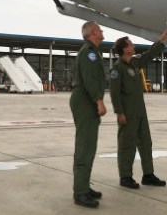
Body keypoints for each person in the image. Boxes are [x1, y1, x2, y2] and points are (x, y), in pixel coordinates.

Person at [109, 28, 167, 189]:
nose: (134, 46)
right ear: (125, 49)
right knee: (126, 145)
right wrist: (119, 113)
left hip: (140, 112)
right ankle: (125, 177)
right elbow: (114, 94)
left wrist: (161, 40)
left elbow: (149, 55)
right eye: (131, 44)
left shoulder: (135, 63)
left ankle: (148, 175)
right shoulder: (117, 69)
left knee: (146, 143)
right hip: (127, 114)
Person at [70, 21, 107, 208]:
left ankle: (83, 185)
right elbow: (90, 78)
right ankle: (80, 192)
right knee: (85, 146)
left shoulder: (92, 51)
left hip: (85, 100)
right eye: (100, 28)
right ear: (93, 32)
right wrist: (98, 100)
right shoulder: (90, 52)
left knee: (89, 146)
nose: (102, 30)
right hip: (86, 100)